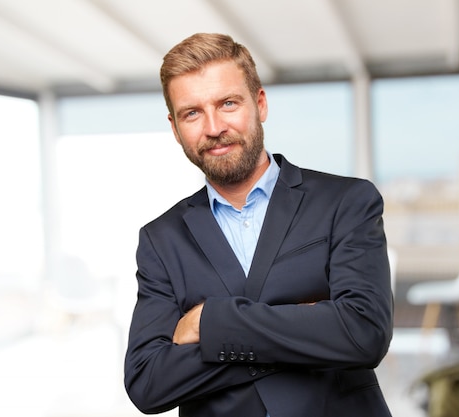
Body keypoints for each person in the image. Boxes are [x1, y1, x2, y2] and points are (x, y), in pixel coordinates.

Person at [124, 32, 394, 417]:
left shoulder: (346, 202)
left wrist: (210, 323)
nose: (214, 127)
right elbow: (147, 382)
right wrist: (305, 331)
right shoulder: (161, 239)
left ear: (260, 103)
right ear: (174, 127)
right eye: (192, 113)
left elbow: (364, 332)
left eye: (228, 103)